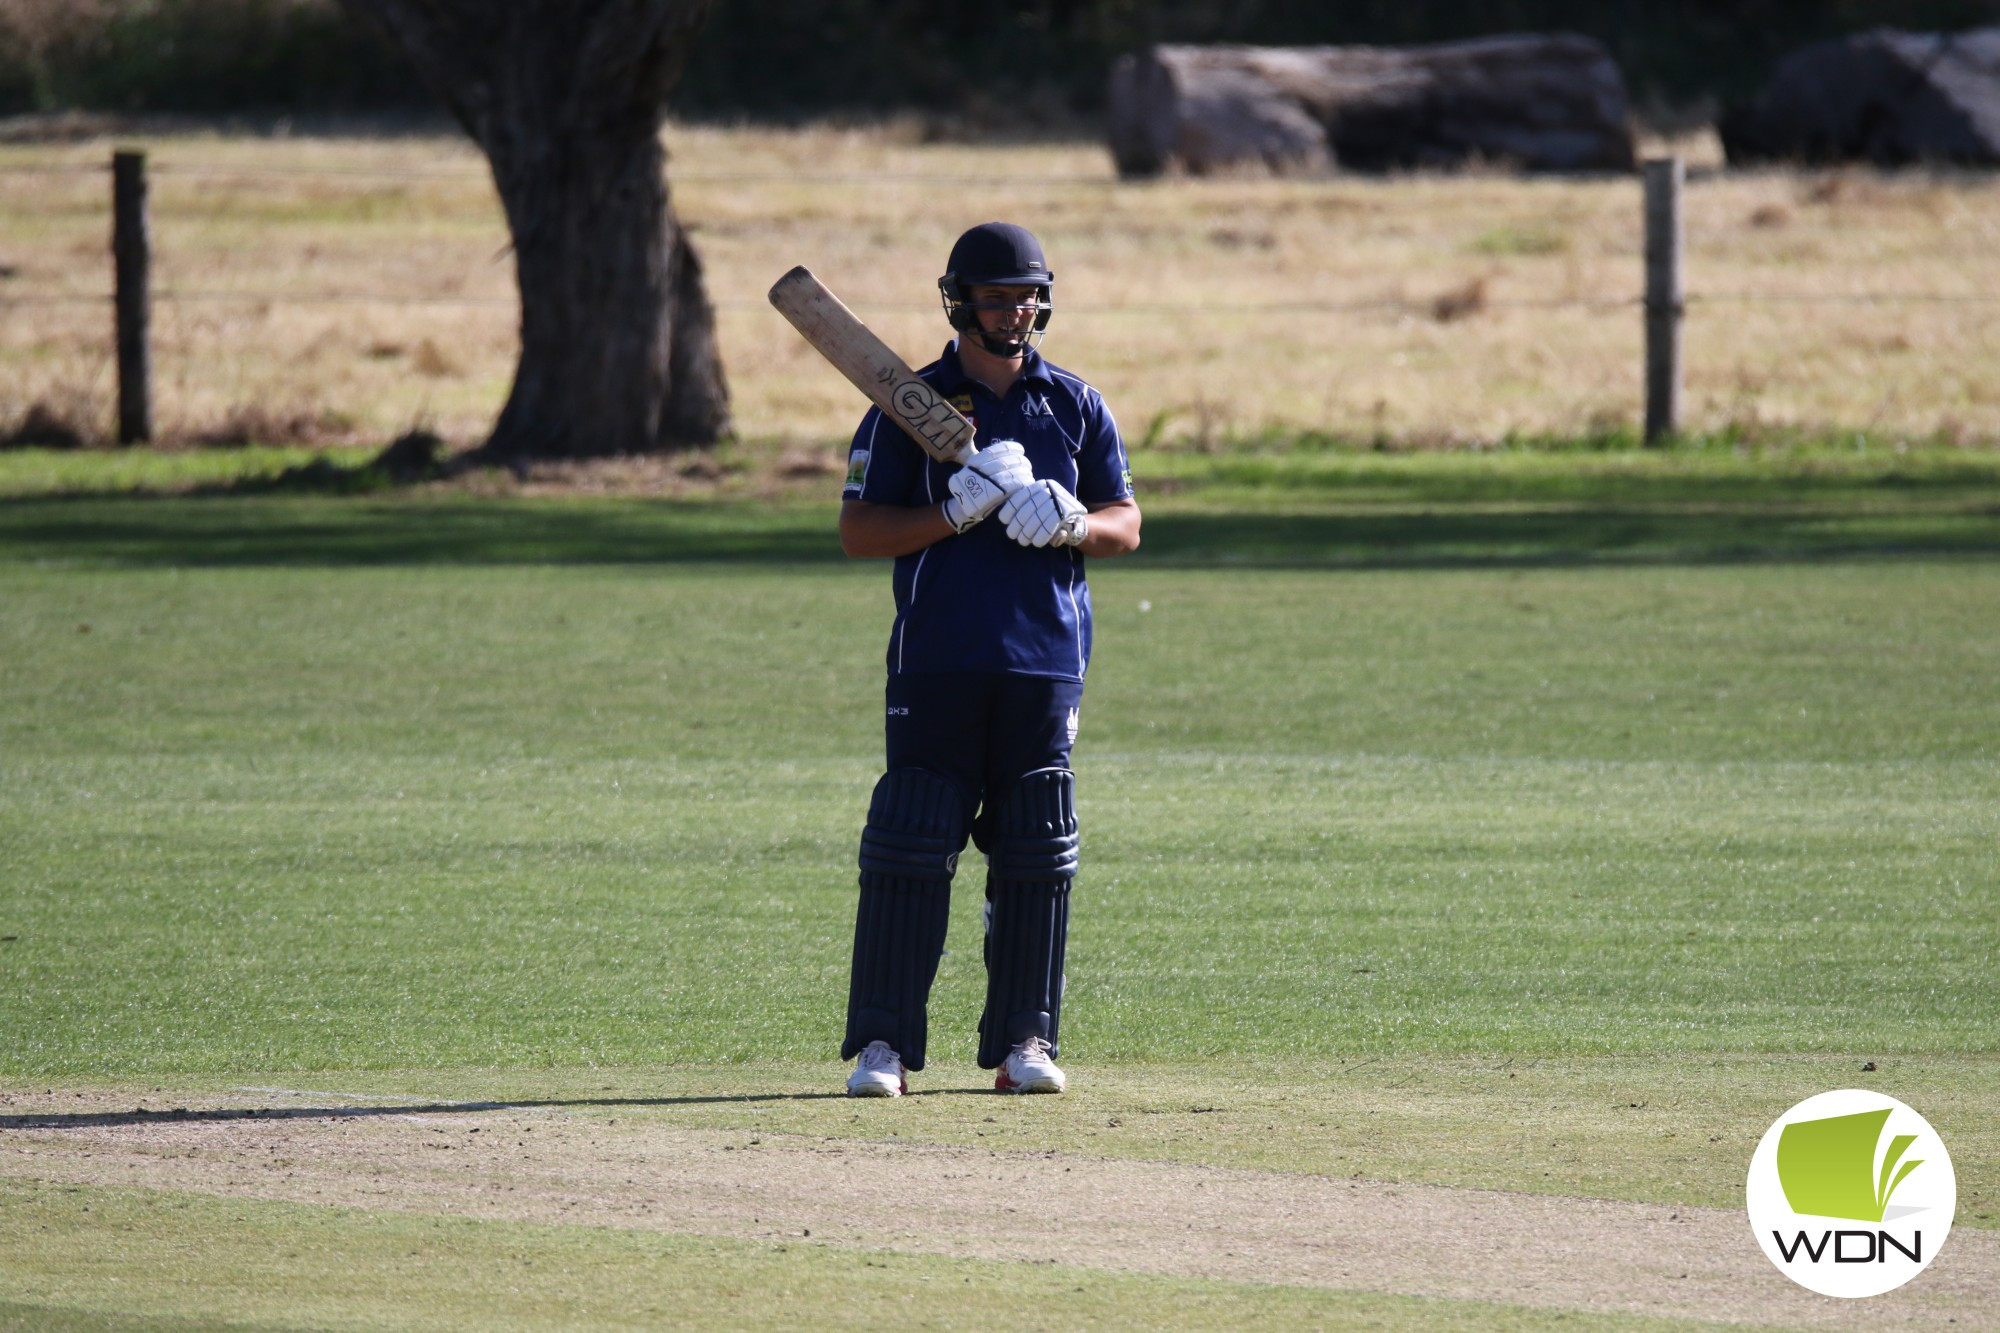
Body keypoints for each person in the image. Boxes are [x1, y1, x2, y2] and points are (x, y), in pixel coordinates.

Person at [836, 221, 1142, 1097]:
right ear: (959, 301)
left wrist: (1076, 521)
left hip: (1045, 663)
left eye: (1027, 296)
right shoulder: (907, 404)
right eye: (998, 297)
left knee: (1036, 848)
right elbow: (860, 530)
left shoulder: (1074, 404)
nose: (1016, 311)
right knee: (911, 842)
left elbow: (1127, 521)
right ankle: (883, 1046)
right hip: (938, 660)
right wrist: (953, 512)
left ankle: (1025, 1043)